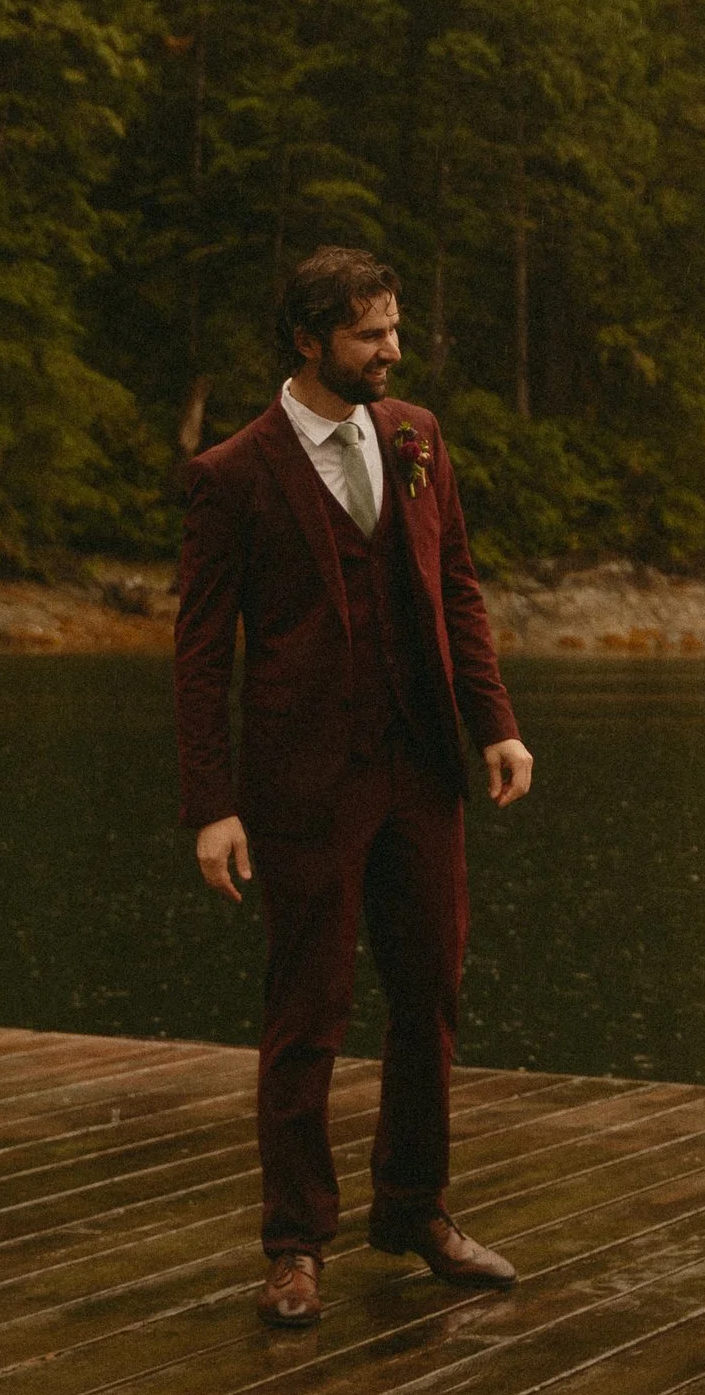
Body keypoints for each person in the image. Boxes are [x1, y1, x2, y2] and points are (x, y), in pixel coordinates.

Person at [174, 246, 533, 1325]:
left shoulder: (417, 436)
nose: (390, 351)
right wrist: (212, 804)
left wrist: (496, 726)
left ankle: (414, 1209)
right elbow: (200, 654)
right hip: (302, 783)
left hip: (421, 767)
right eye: (369, 335)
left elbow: (455, 587)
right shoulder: (232, 473)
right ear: (308, 341)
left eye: (391, 331)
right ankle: (294, 1242)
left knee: (428, 996)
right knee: (308, 1013)